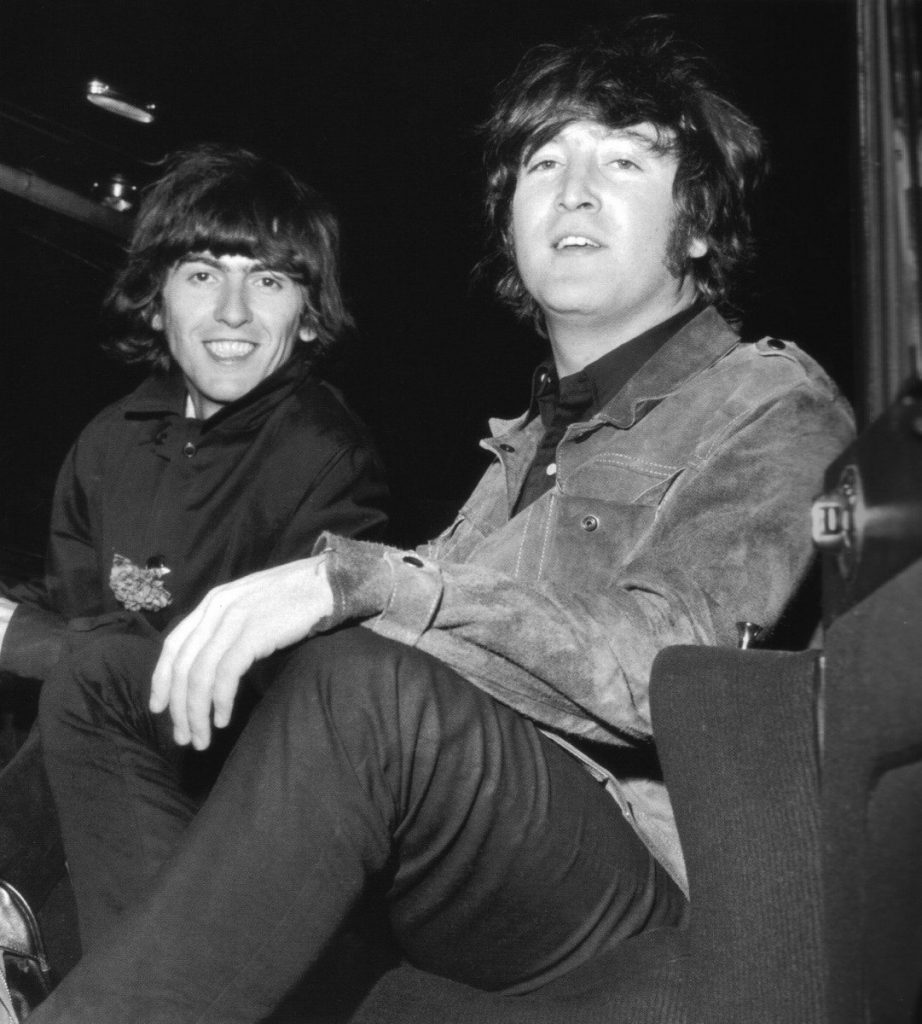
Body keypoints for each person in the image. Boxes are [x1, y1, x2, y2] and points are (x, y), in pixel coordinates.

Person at [33, 25, 853, 1023]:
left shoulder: (771, 403)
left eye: (625, 161)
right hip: (486, 831)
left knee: (359, 685)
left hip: (641, 875)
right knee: (111, 677)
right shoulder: (528, 446)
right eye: (544, 164)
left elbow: (663, 666)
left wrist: (359, 577)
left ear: (696, 228)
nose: (575, 190)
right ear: (508, 225)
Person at [0, 143, 389, 684]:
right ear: (158, 304)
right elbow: (73, 602)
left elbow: (249, 700)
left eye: (268, 280)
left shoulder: (328, 461)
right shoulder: (109, 439)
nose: (233, 312)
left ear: (308, 318)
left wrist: (29, 643)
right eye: (203, 276)